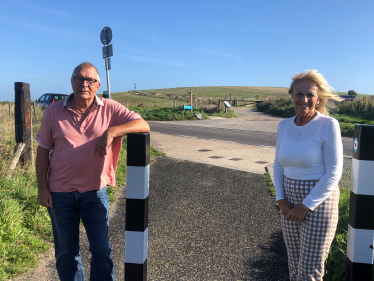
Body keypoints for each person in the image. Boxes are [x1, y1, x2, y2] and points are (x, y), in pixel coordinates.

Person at [35, 62, 150, 281]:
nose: (84, 84)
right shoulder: (53, 111)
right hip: (60, 195)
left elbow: (143, 124)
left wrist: (112, 131)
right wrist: (42, 188)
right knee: (66, 255)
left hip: (94, 194)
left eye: (90, 80)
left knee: (101, 252)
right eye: (79, 78)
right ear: (72, 82)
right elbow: (43, 153)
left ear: (98, 85)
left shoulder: (110, 108)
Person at [273, 70, 343, 280]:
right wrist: (281, 200)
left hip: (318, 202)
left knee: (309, 271)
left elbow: (334, 172)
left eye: (310, 95)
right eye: (299, 94)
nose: (304, 100)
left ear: (318, 97)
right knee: (293, 265)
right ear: (291, 96)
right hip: (289, 200)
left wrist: (306, 205)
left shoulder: (328, 125)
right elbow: (278, 165)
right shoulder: (283, 125)